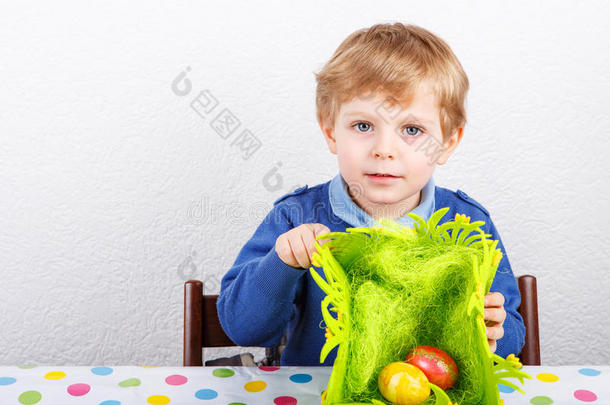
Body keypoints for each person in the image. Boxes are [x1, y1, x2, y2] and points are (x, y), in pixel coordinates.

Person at [217, 22, 525, 366]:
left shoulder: (468, 224)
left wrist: (494, 332)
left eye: (412, 130)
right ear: (331, 131)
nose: (384, 149)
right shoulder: (296, 218)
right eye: (363, 126)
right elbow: (243, 329)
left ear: (447, 143)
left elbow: (512, 335)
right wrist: (282, 263)